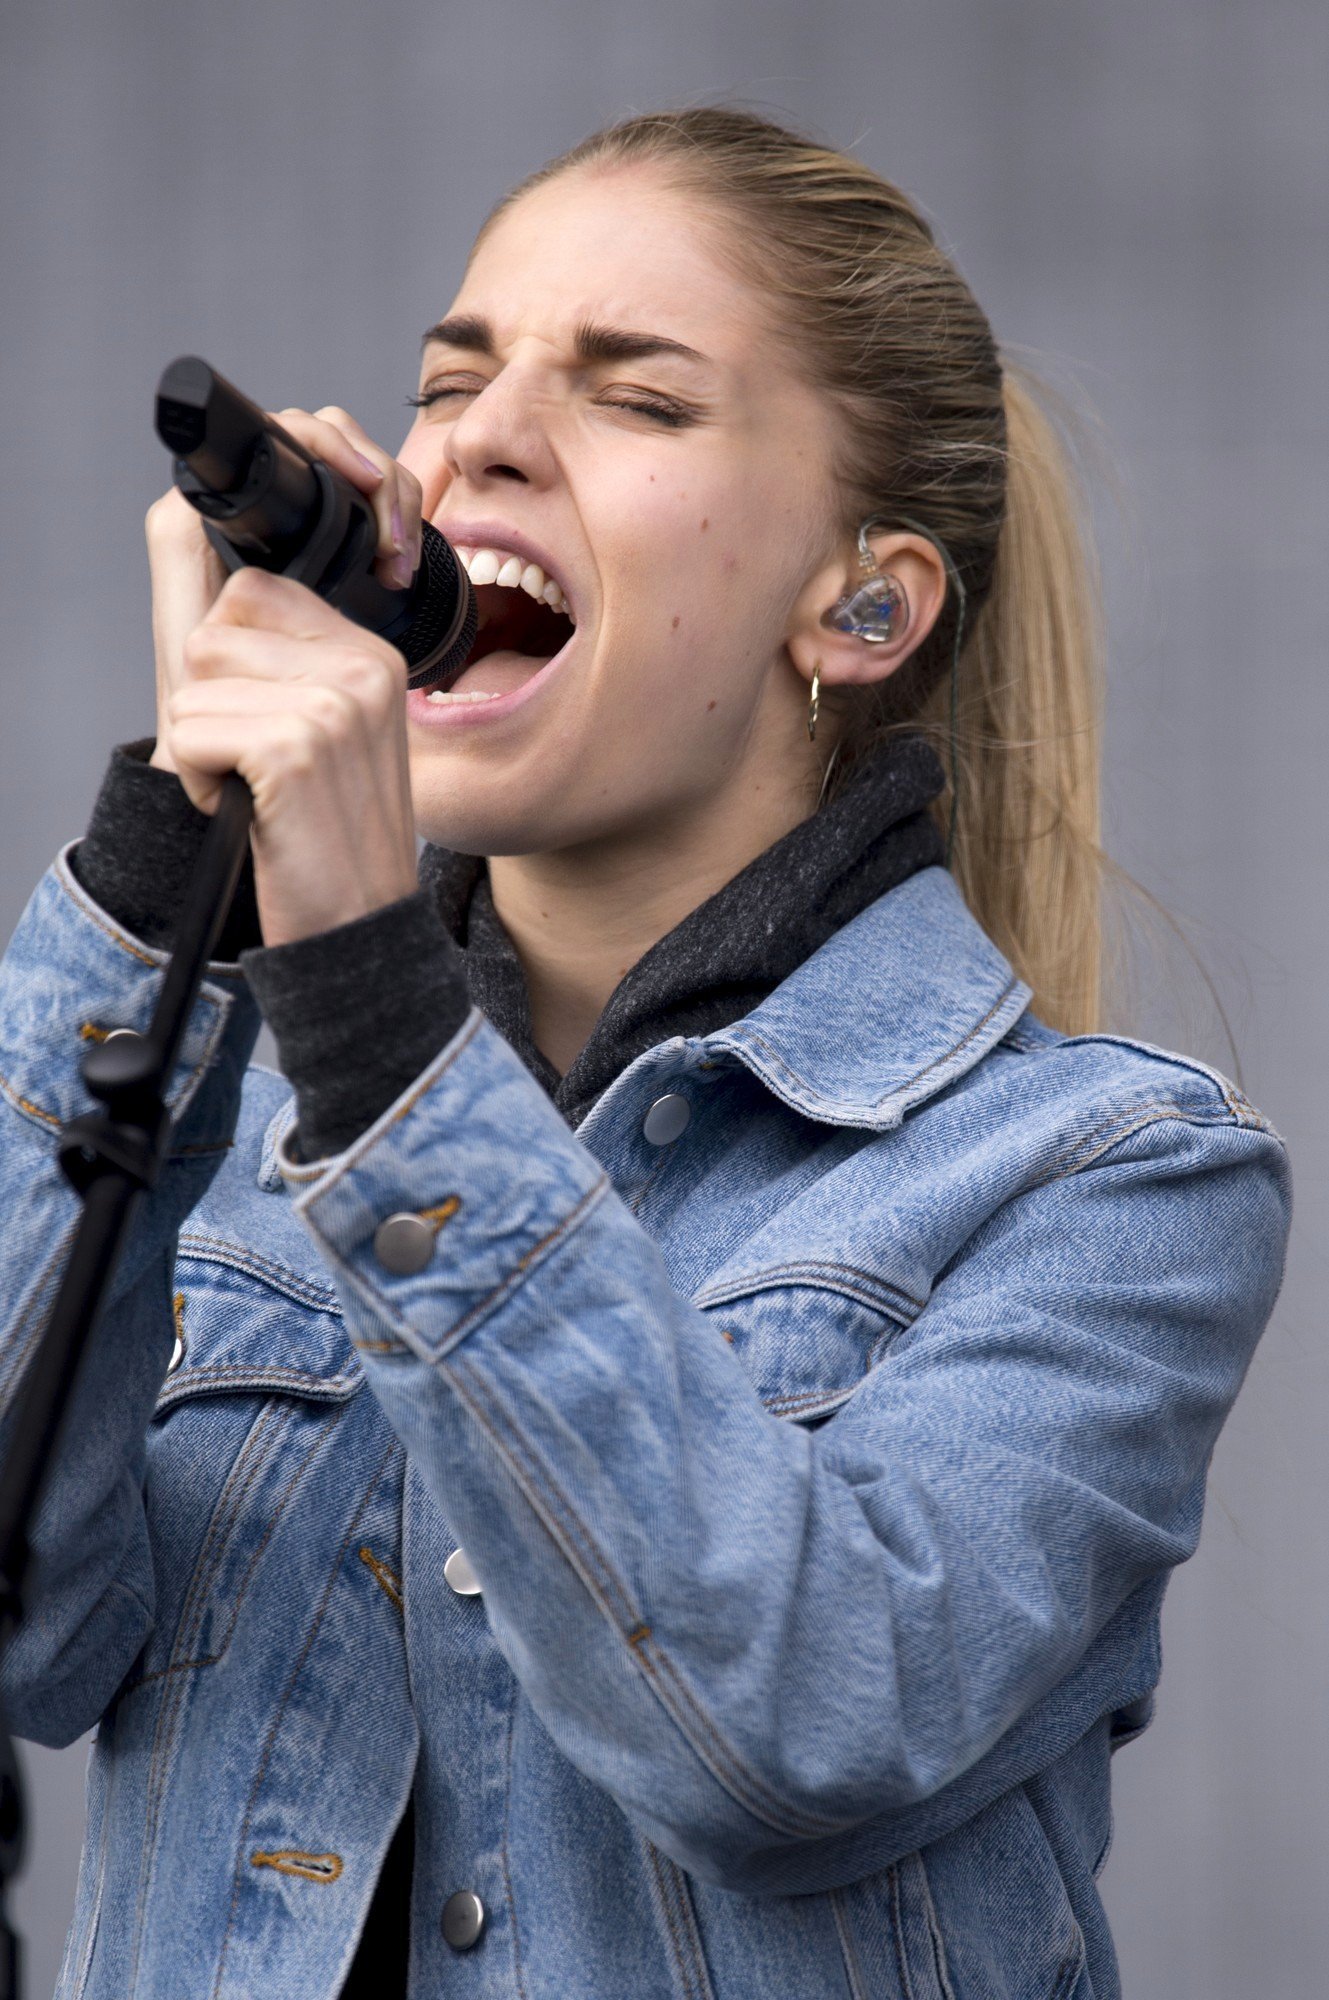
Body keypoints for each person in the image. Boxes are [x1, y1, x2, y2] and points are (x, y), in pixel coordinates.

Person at [0, 107, 1289, 2000]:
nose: (481, 435)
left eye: (638, 399)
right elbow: (31, 1630)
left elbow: (788, 1726)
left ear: (860, 608)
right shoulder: (226, 1115)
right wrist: (156, 859)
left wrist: (368, 1000)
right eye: (456, 377)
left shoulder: (1105, 1181)